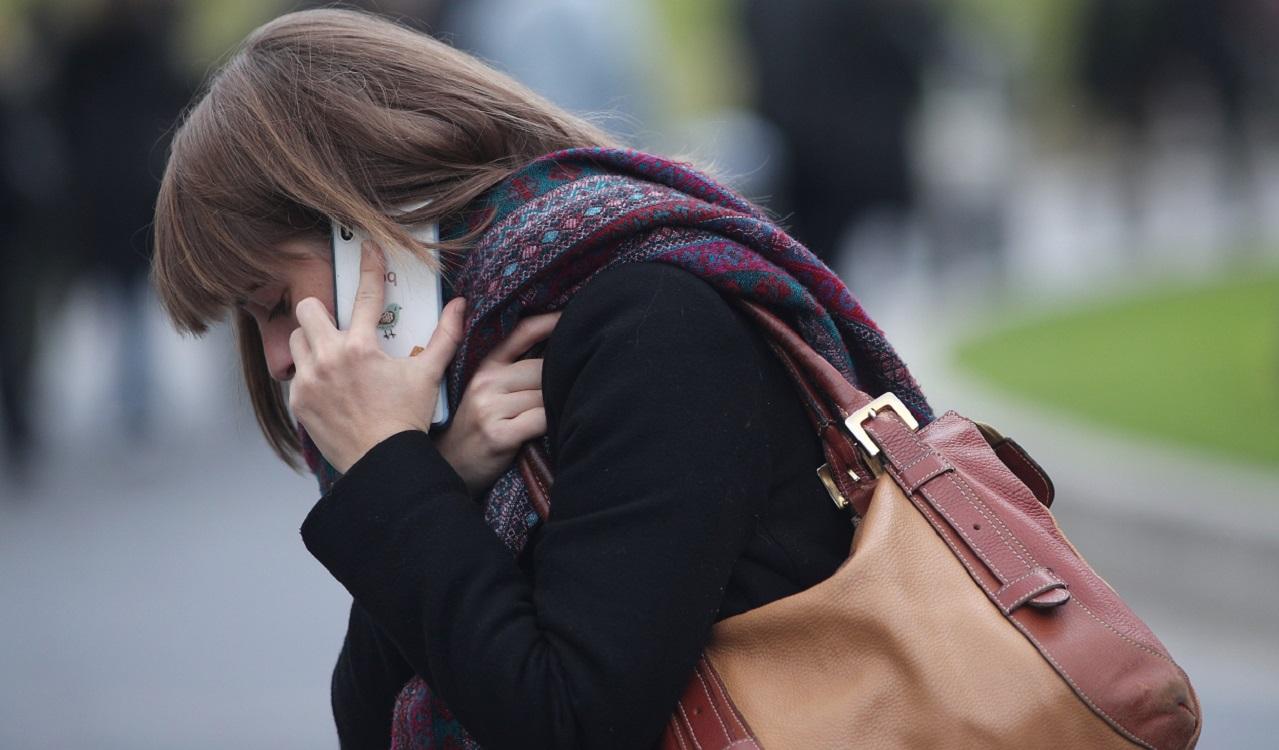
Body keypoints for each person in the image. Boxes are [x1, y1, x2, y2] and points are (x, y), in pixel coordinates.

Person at [150, 9, 930, 749]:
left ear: (359, 225)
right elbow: (369, 720)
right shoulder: (480, 376)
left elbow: (568, 722)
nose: (279, 357)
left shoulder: (648, 323)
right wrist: (435, 478)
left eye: (273, 304)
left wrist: (389, 469)